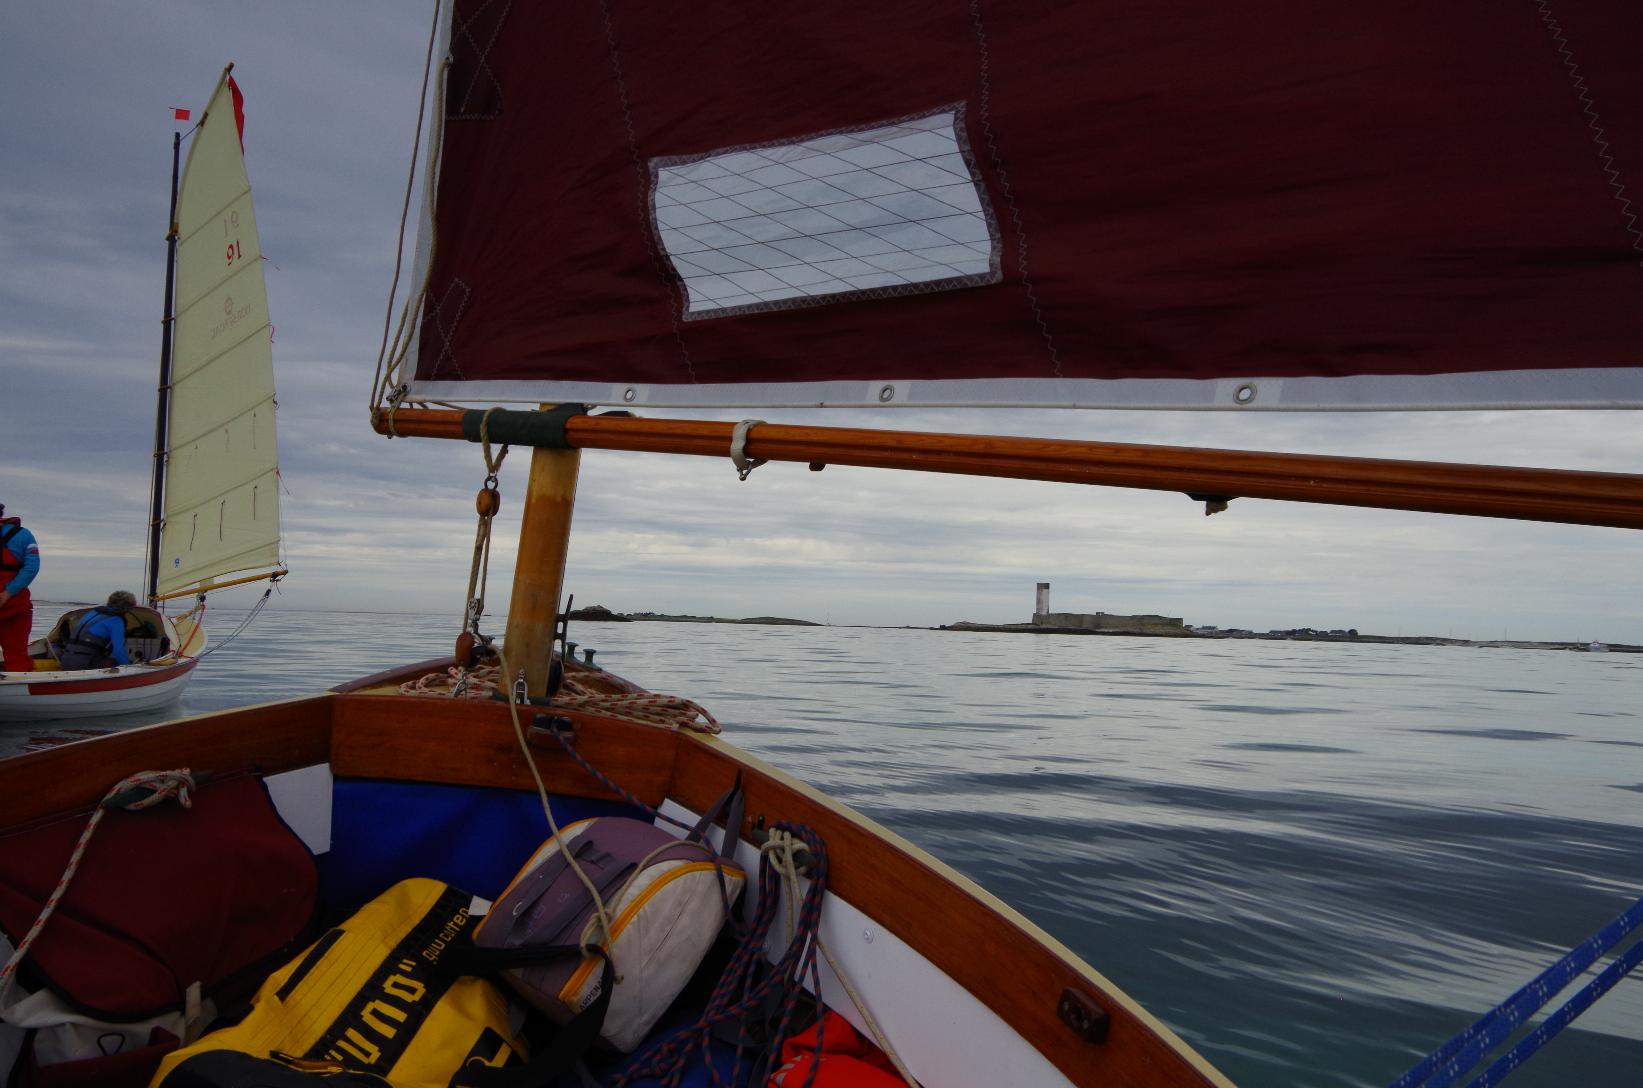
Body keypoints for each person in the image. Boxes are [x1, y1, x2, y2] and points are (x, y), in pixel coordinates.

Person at [0, 504, 41, 674]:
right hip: (14, 603)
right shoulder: (23, 535)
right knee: (16, 655)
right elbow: (32, 567)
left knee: (16, 654)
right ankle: (17, 686)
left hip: (14, 604)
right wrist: (8, 593)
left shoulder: (22, 534)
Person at [57, 591, 137, 671]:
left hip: (65, 661)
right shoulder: (116, 620)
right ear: (127, 608)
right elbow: (118, 651)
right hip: (83, 665)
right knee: (114, 661)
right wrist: (128, 667)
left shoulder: (92, 612)